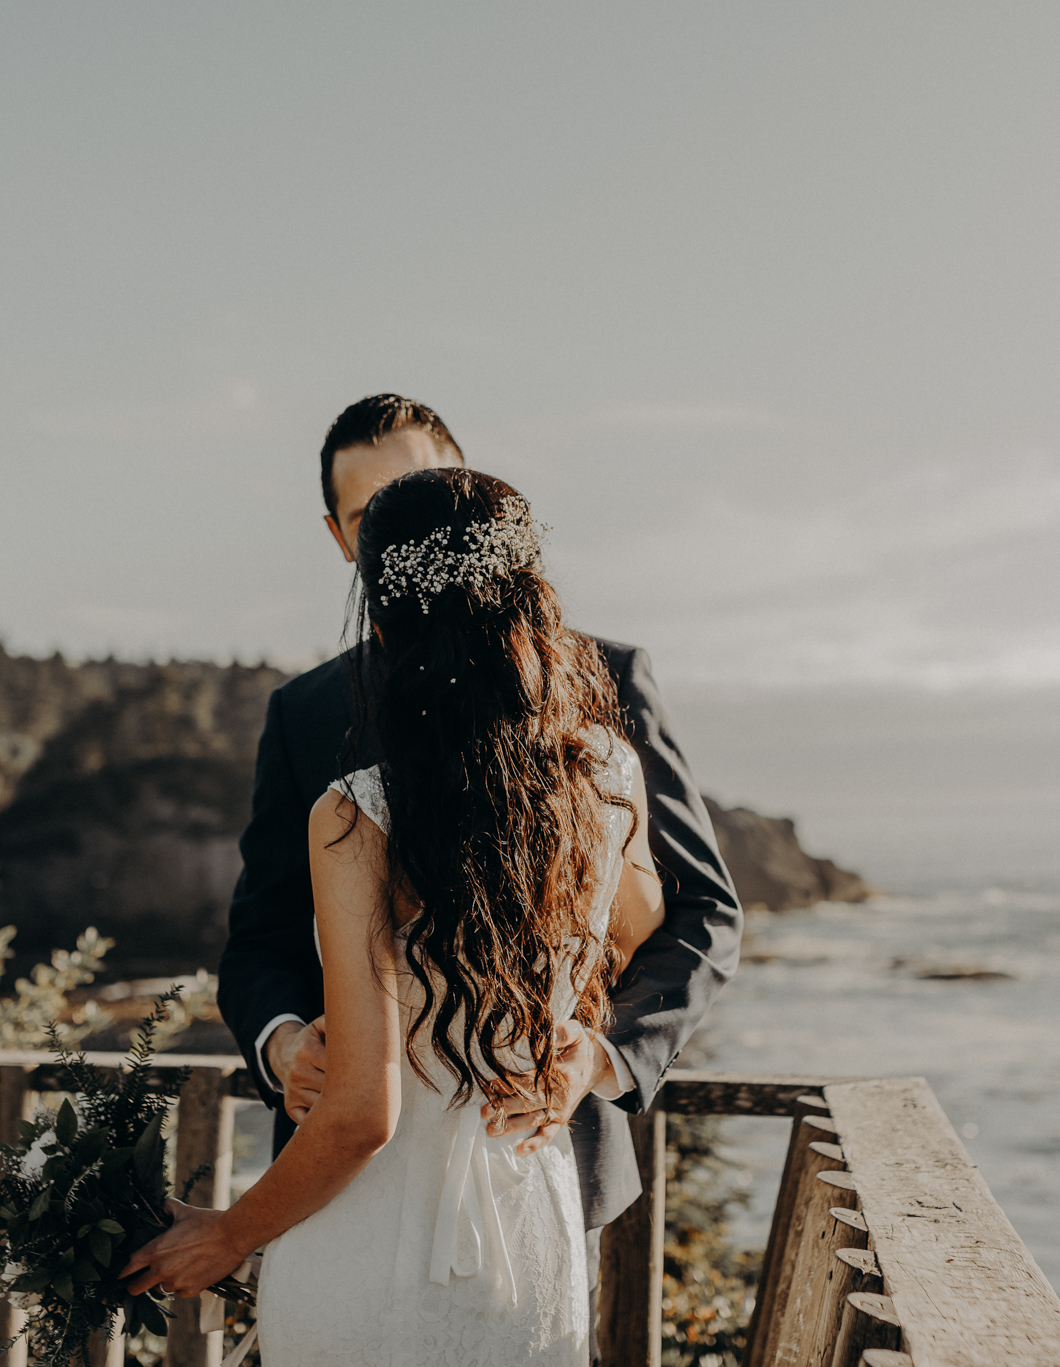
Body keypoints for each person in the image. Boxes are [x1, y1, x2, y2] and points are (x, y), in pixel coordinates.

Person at [125, 396, 741, 1355]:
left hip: (461, 1190)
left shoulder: (373, 802)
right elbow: (262, 938)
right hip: (512, 1210)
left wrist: (595, 1050)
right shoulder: (590, 769)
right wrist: (285, 1043)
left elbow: (702, 918)